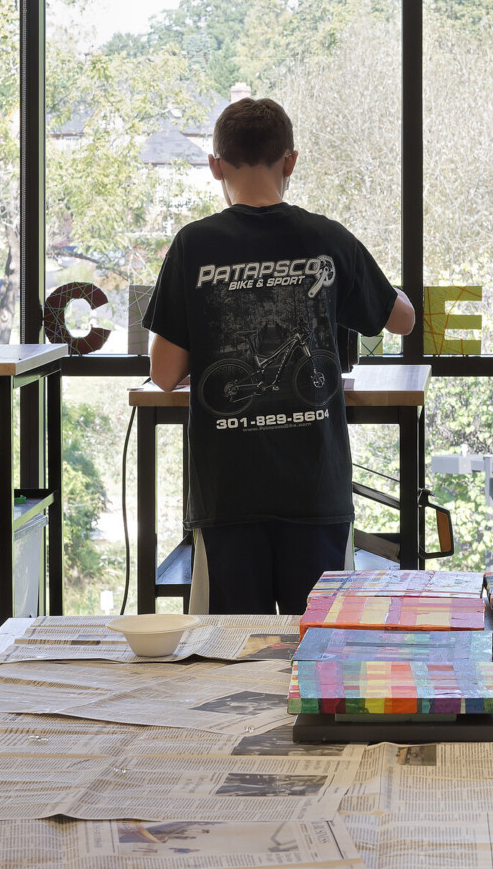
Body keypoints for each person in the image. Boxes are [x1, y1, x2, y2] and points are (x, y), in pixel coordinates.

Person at [144, 97, 416, 615]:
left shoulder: (193, 245)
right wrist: (378, 287)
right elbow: (400, 320)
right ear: (290, 160)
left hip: (228, 496)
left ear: (215, 166)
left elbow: (163, 374)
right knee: (318, 657)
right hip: (315, 493)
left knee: (228, 659)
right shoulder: (327, 238)